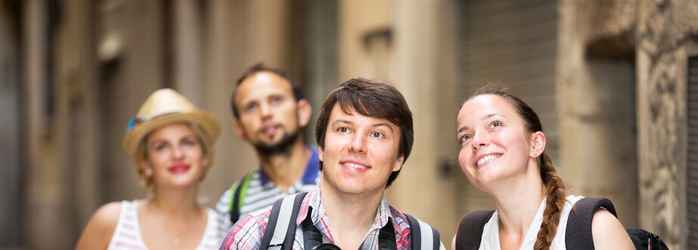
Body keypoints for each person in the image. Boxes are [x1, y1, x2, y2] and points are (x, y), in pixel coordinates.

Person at [221, 78, 443, 250]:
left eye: (377, 134)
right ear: (321, 148)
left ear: (398, 159)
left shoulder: (423, 244)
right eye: (344, 129)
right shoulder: (255, 237)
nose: (357, 145)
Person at [453, 86, 634, 250]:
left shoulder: (595, 229)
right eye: (465, 137)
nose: (476, 141)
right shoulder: (468, 239)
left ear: (535, 144)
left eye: (495, 124)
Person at [76, 88, 227, 250]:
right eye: (161, 147)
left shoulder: (224, 231)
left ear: (204, 157)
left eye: (187, 142)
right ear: (146, 163)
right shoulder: (110, 222)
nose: (177, 154)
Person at [217, 63, 319, 225]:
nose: (265, 113)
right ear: (239, 128)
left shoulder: (343, 175)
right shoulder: (231, 207)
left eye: (276, 100)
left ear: (302, 112)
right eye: (251, 107)